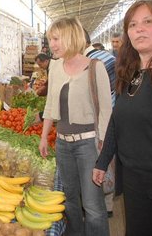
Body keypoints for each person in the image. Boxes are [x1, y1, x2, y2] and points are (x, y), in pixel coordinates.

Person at [92, 0, 152, 236]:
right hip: (134, 180)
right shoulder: (132, 75)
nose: (139, 29)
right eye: (133, 24)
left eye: (148, 21)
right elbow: (118, 120)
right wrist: (103, 161)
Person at [39, 16, 111, 236]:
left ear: (71, 37)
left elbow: (107, 111)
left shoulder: (94, 67)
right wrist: (44, 137)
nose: (52, 44)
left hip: (88, 145)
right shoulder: (55, 66)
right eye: (50, 39)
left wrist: (103, 148)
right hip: (62, 144)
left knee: (92, 206)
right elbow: (51, 104)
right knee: (70, 201)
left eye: (56, 38)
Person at [83, 29, 117, 218]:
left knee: (104, 161)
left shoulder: (93, 62)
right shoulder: (105, 55)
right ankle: (108, 206)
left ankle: (104, 205)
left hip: (105, 116)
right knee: (108, 162)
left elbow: (98, 98)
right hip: (114, 108)